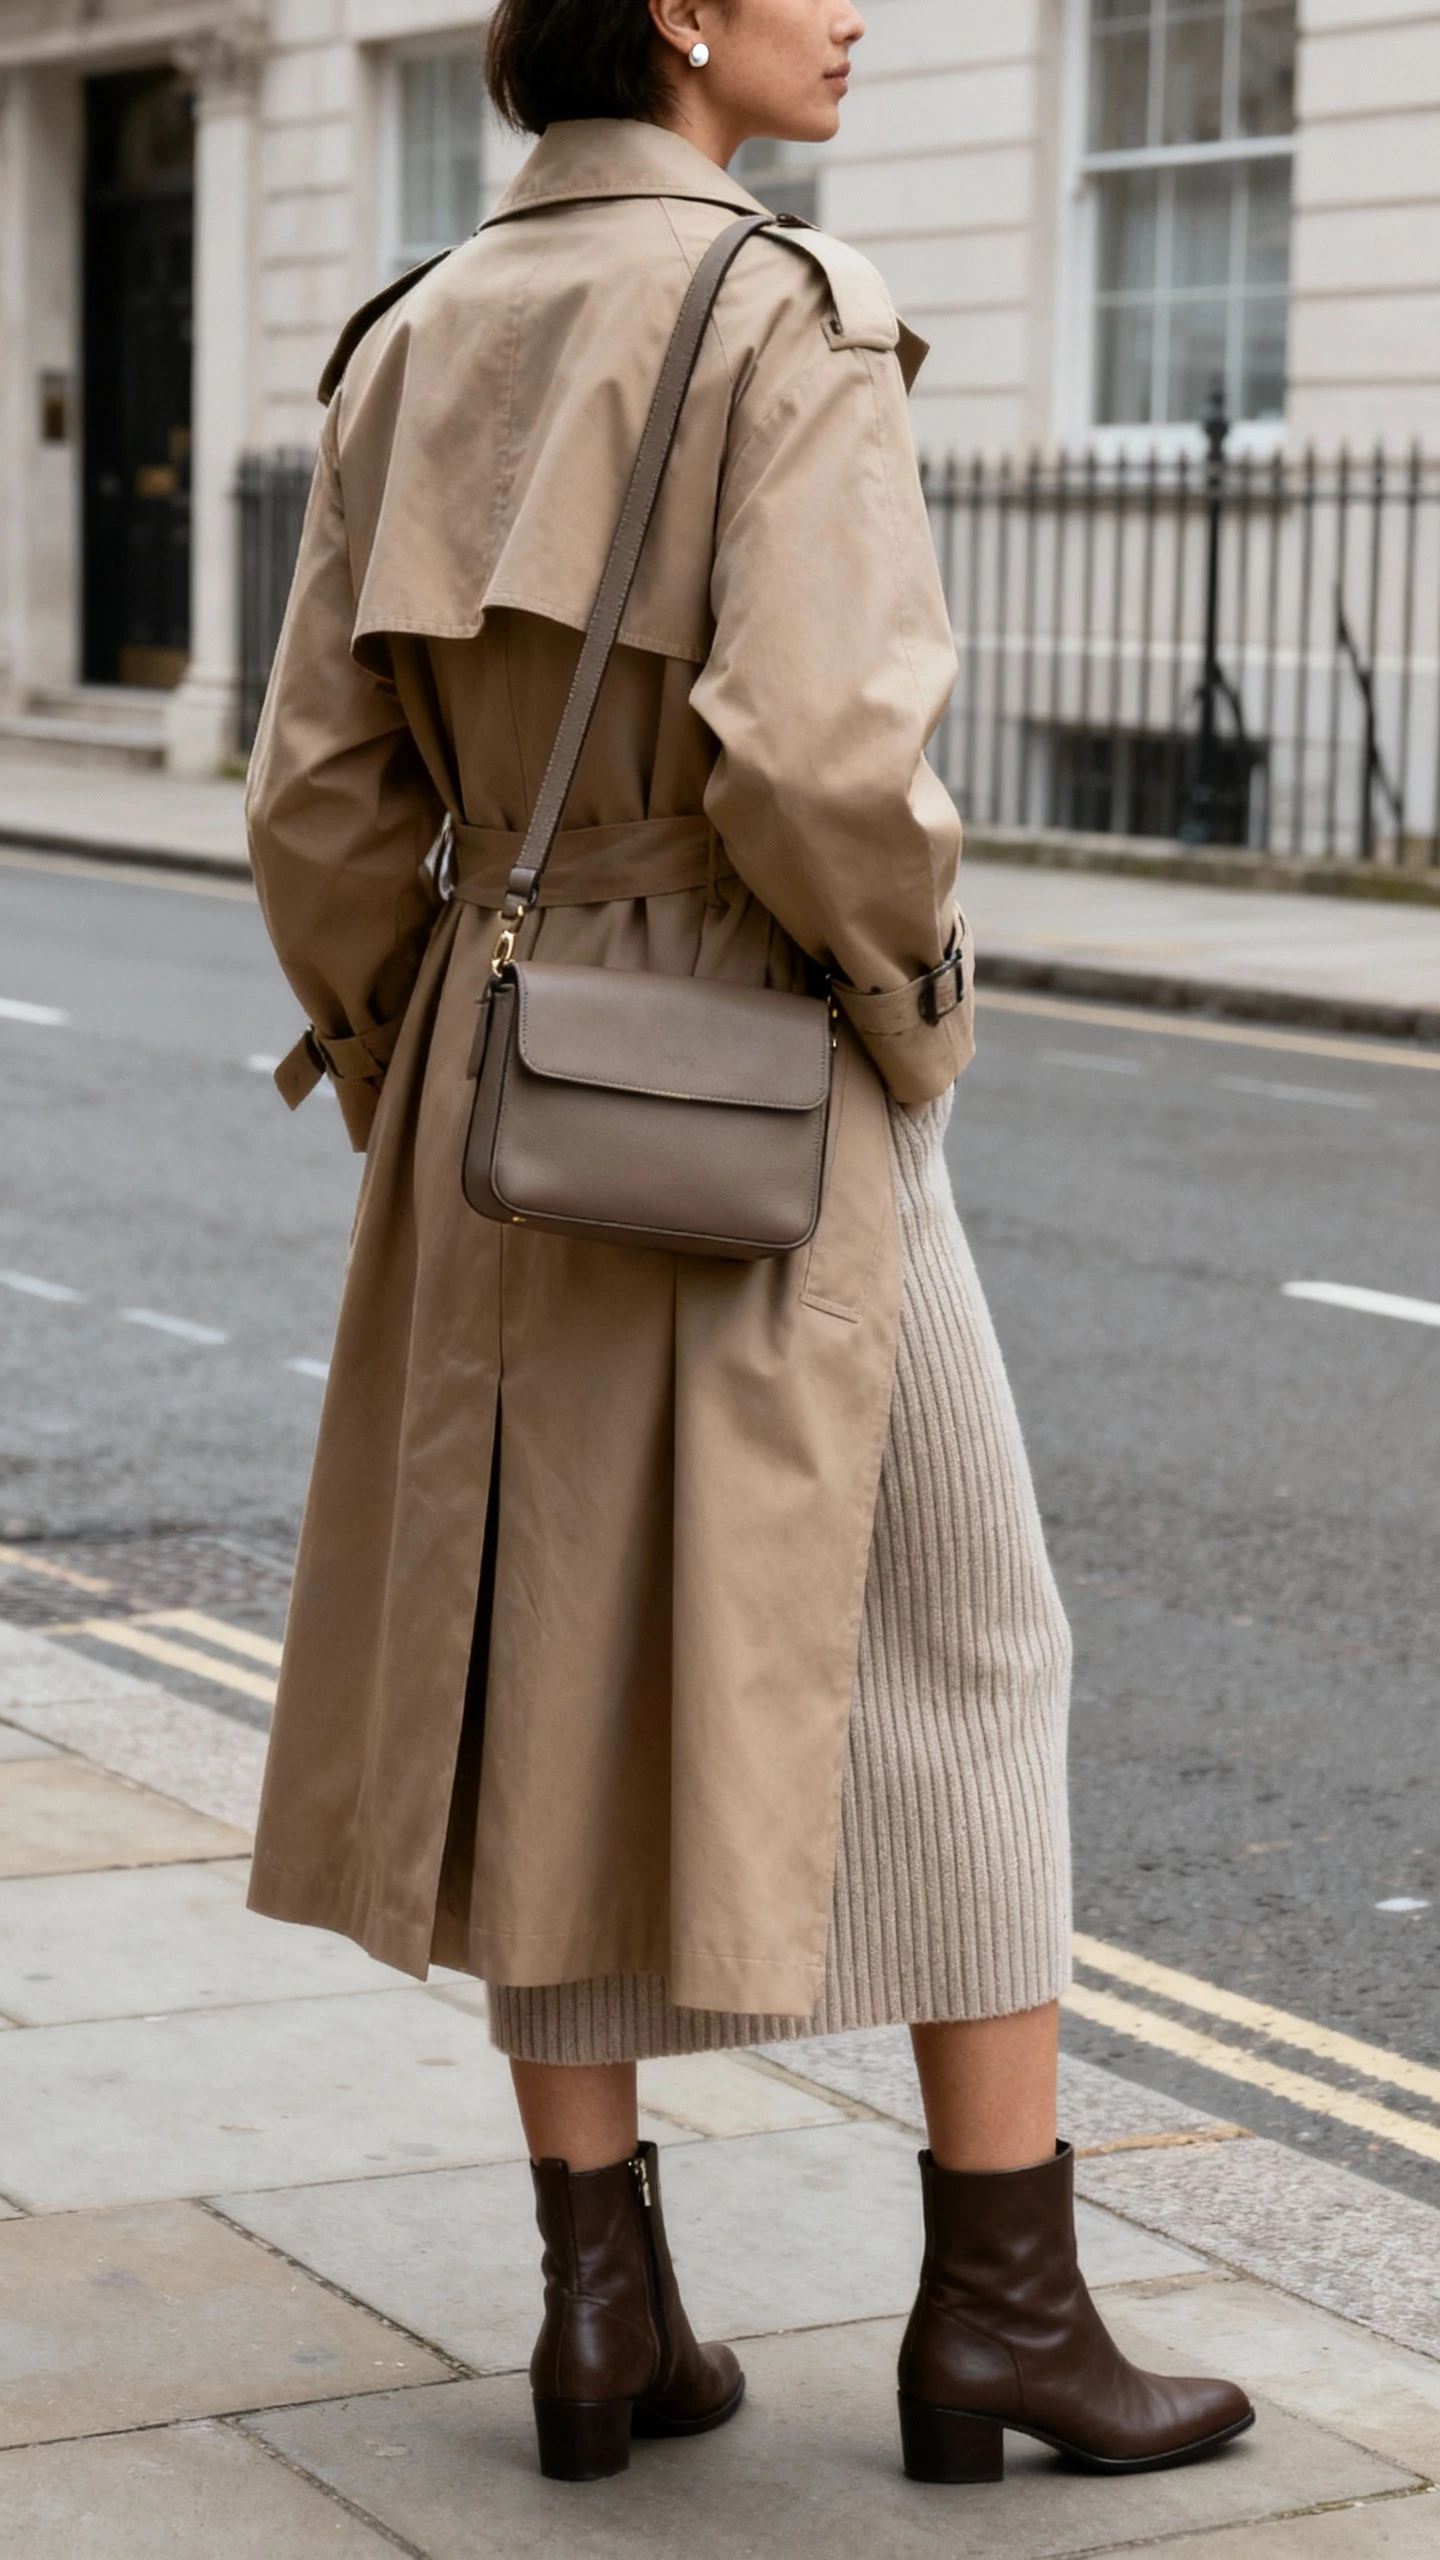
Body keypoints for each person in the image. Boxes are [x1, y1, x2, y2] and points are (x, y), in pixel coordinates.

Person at [245, 0, 1253, 2490]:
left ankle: (608, 2309)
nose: (859, 12)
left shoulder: (405, 333)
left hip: (489, 1078)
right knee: (975, 1637)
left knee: (530, 1652)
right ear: (683, 12)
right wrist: (913, 1017)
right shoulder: (779, 313)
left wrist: (421, 1070)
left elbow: (316, 806)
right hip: (745, 1080)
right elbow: (820, 766)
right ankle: (1004, 2307)